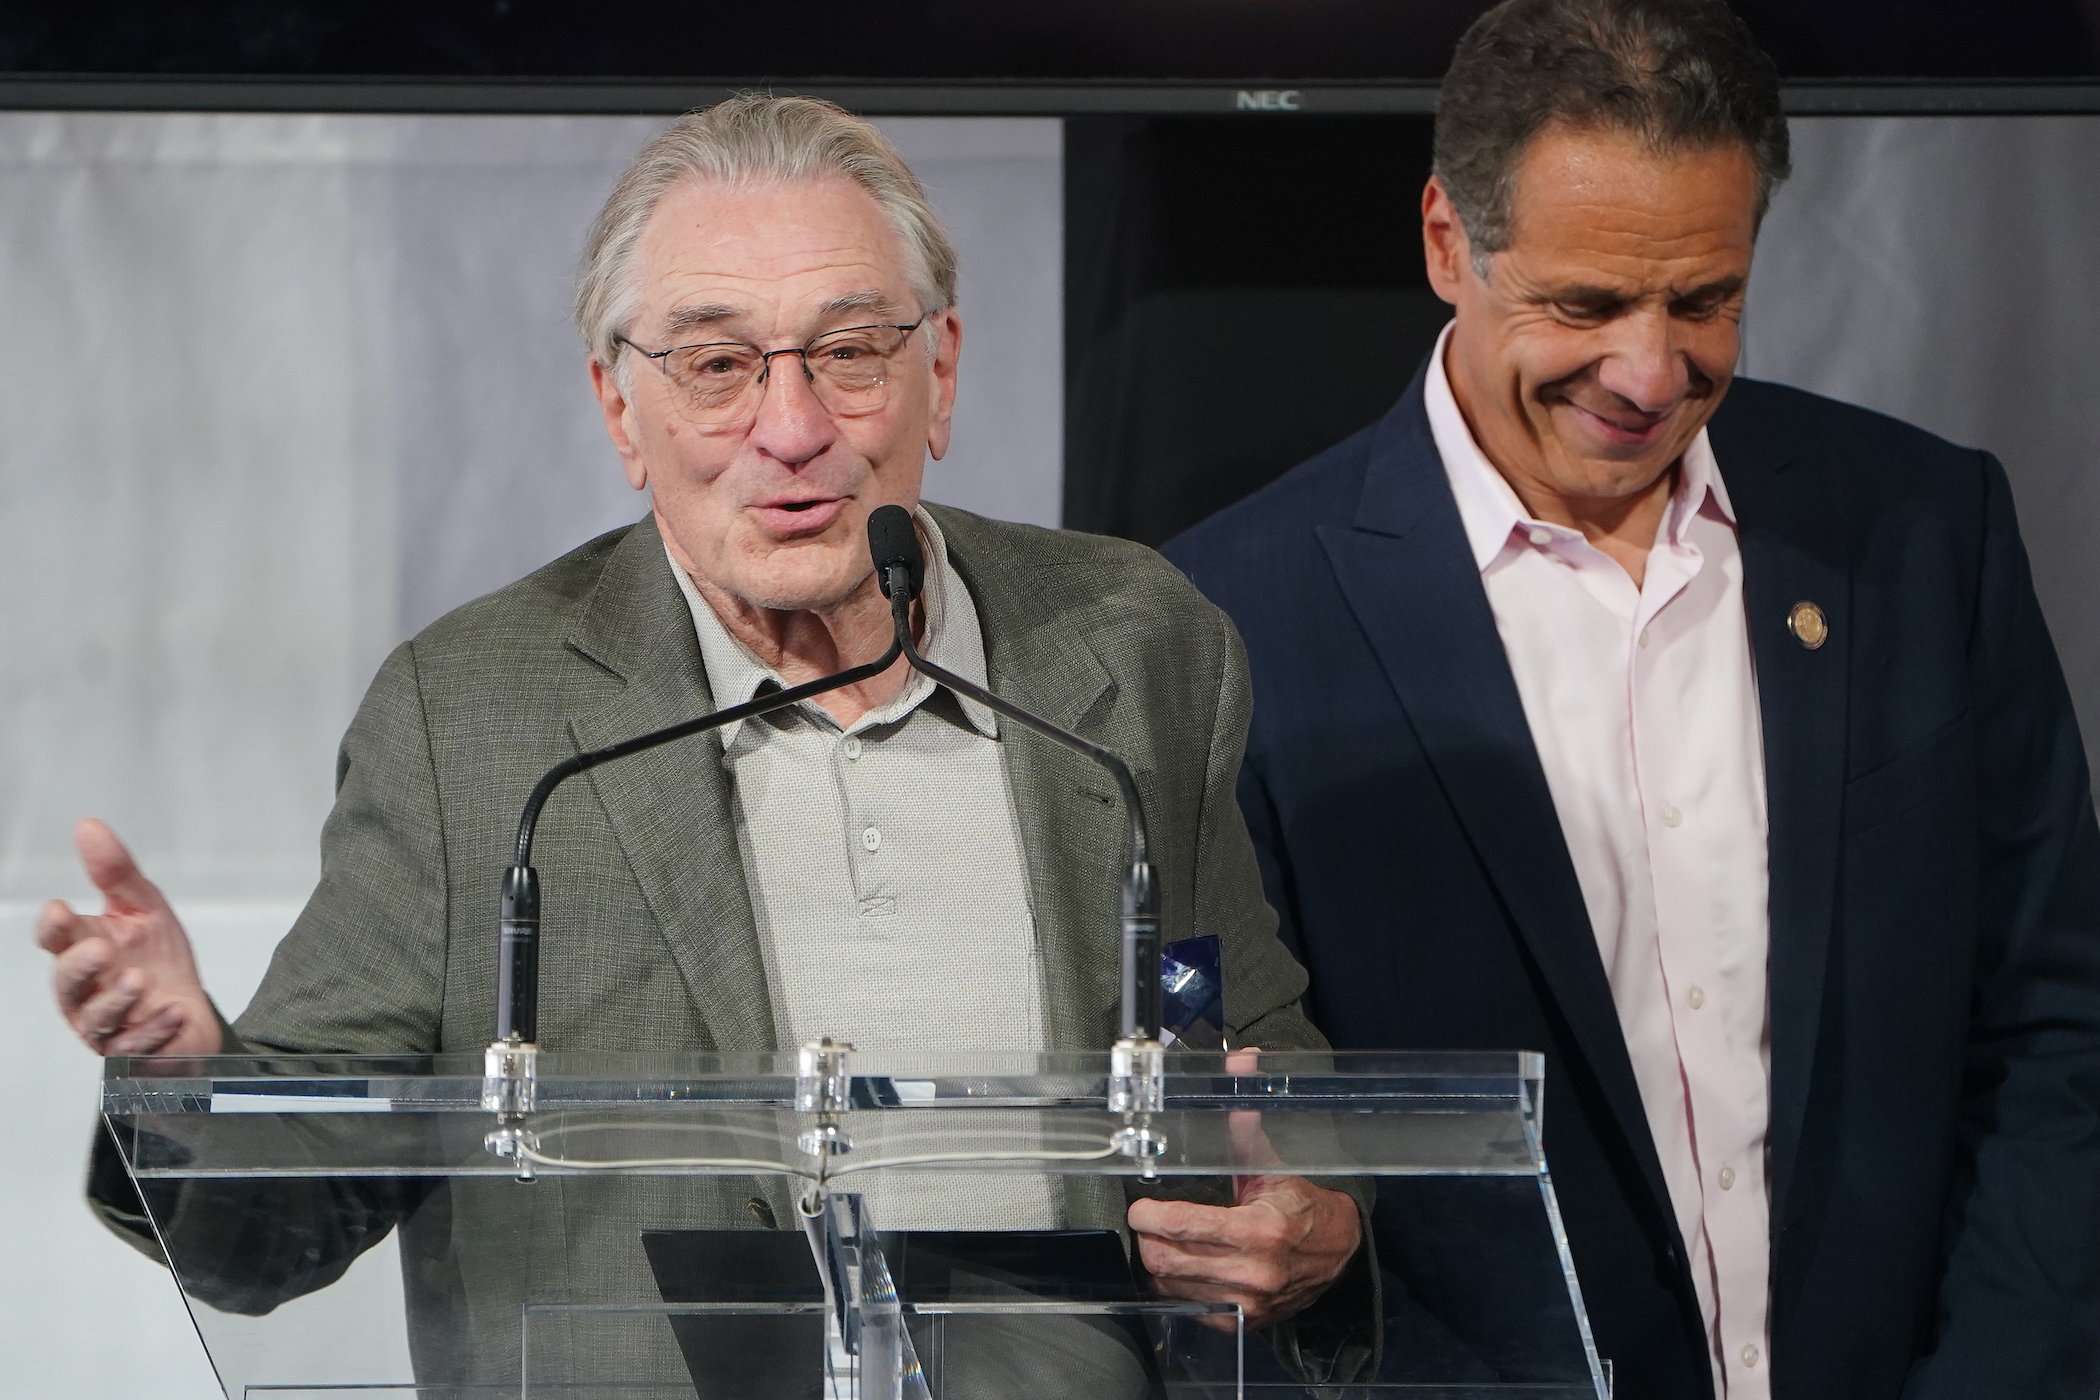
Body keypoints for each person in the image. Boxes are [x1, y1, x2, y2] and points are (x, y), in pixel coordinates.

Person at [37, 94, 1362, 1390]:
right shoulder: (473, 717)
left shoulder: (1131, 644)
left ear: (939, 372)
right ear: (623, 410)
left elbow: (1233, 1018)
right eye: (717, 367)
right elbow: (277, 1230)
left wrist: (1315, 1210)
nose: (792, 431)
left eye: (850, 352)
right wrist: (193, 1083)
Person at [1165, 2, 2100, 1397]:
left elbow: (2052, 1029)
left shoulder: (1921, 531)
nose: (1651, 374)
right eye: (1588, 305)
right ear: (1447, 245)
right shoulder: (1228, 616)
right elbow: (1247, 1142)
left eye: (1704, 298)